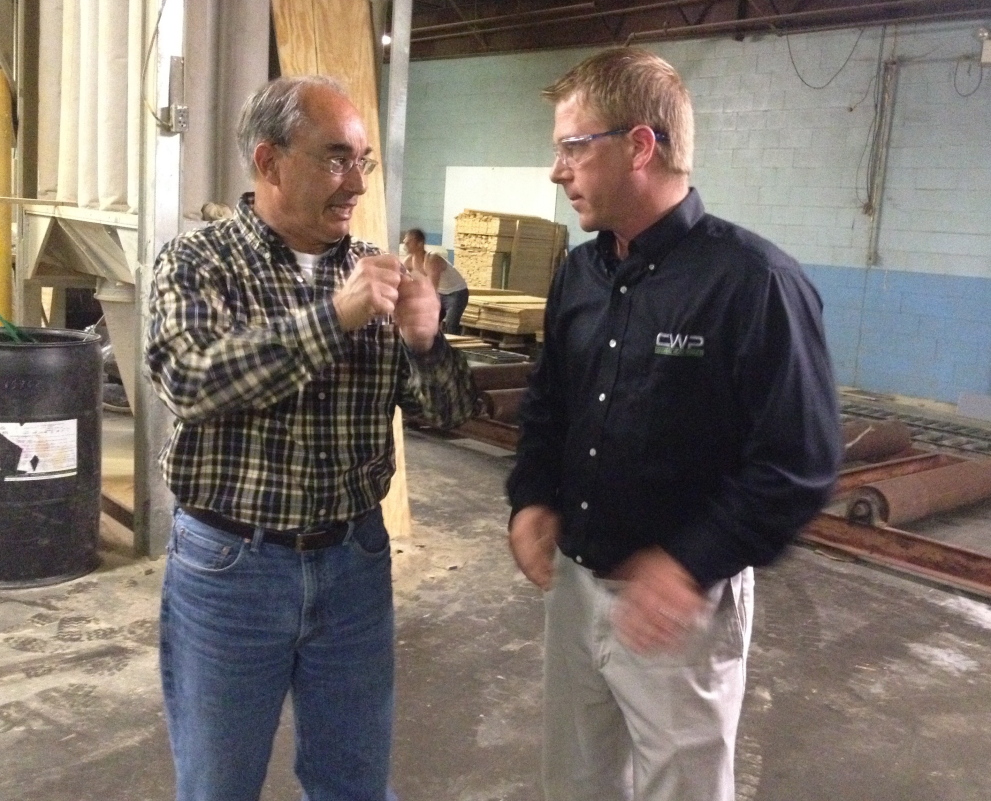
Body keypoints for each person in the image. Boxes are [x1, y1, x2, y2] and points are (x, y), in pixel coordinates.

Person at [506, 47, 843, 801]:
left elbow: (799, 464)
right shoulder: (580, 273)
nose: (557, 171)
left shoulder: (752, 283)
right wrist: (530, 493)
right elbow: (548, 402)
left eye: (570, 146)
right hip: (577, 580)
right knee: (576, 782)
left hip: (680, 606)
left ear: (640, 145)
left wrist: (689, 562)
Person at [146, 74, 477, 801]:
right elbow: (193, 383)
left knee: (354, 783)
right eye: (335, 159)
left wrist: (427, 343)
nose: (355, 182)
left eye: (363, 160)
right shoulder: (199, 262)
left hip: (353, 564)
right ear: (268, 161)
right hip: (232, 569)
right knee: (217, 783)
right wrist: (334, 318)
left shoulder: (374, 272)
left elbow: (451, 415)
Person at [402, 228, 469, 334]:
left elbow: (432, 289)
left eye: (409, 242)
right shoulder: (409, 261)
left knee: (450, 325)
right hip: (441, 293)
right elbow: (400, 280)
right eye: (405, 241)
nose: (405, 244)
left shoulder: (432, 259)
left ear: (420, 244)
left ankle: (451, 349)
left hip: (456, 294)